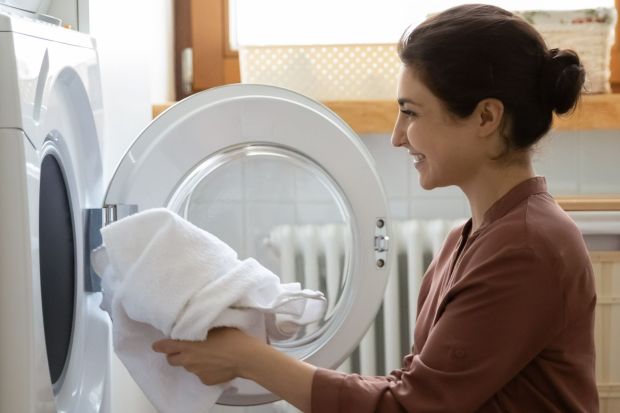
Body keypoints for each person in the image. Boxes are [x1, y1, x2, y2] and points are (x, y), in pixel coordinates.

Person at [152, 4, 598, 412]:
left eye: (411, 113)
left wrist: (248, 359)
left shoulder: (525, 248)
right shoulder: (474, 239)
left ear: (486, 118)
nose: (397, 136)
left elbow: (411, 406)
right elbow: (415, 390)